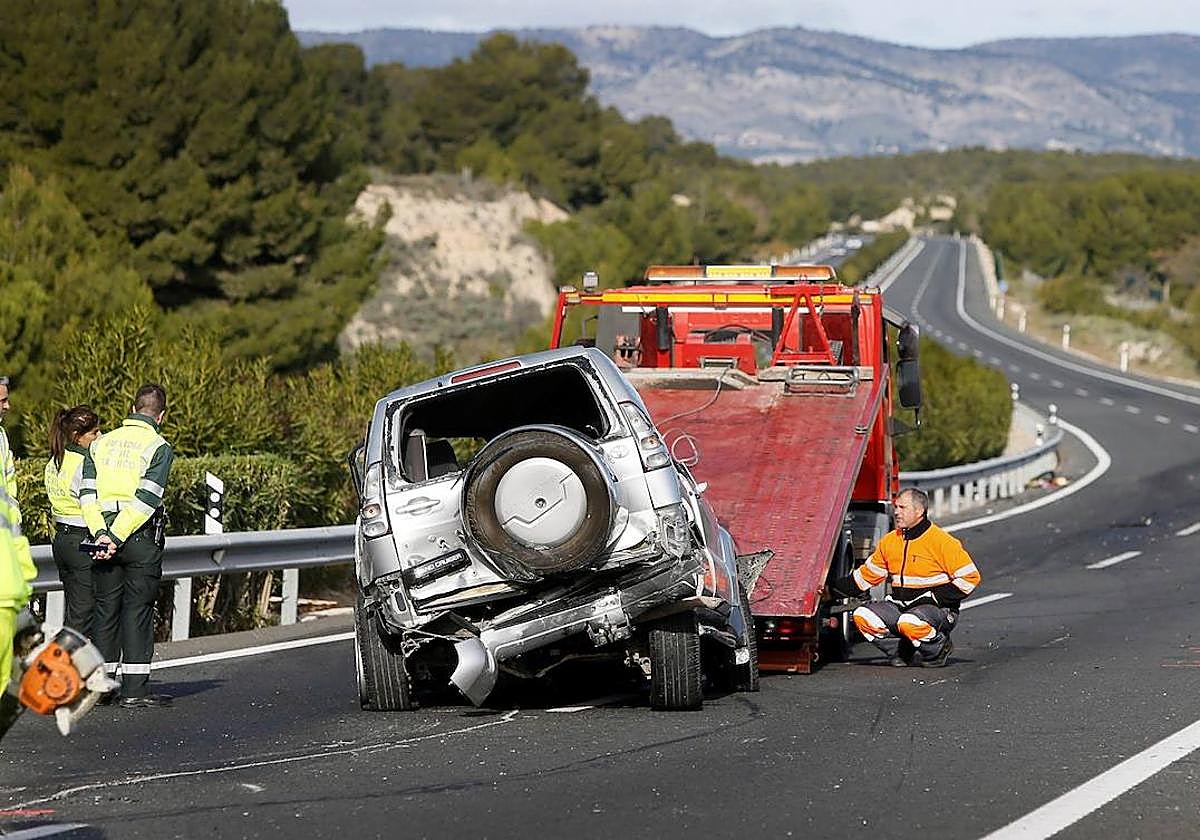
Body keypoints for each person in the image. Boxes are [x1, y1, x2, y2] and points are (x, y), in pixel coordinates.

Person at [81, 384, 174, 709]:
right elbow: (147, 500)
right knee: (137, 611)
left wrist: (101, 534)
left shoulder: (100, 443)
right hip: (136, 538)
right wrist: (118, 537)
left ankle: (101, 688)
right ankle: (134, 689)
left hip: (101, 535)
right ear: (161, 415)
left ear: (133, 409)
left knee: (106, 610)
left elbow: (87, 495)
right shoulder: (158, 446)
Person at [830, 488, 981, 667]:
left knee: (909, 622)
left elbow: (970, 577)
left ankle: (938, 648)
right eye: (896, 507)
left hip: (937, 610)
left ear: (919, 512)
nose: (896, 512)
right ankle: (901, 651)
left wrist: (933, 598)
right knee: (862, 615)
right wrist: (828, 592)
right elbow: (864, 578)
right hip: (900, 607)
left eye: (903, 507)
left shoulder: (942, 541)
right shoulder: (890, 541)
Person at [45, 405, 103, 638]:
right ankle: (58, 667)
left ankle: (74, 668)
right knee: (83, 614)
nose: (100, 437)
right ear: (78, 437)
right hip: (81, 538)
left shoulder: (55, 460)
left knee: (76, 610)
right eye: (95, 433)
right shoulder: (83, 464)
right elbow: (91, 502)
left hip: (62, 540)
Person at [0, 377, 18, 523]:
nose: (8, 406)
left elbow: (9, 477)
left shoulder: (1, 436)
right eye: (3, 400)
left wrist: (13, 513)